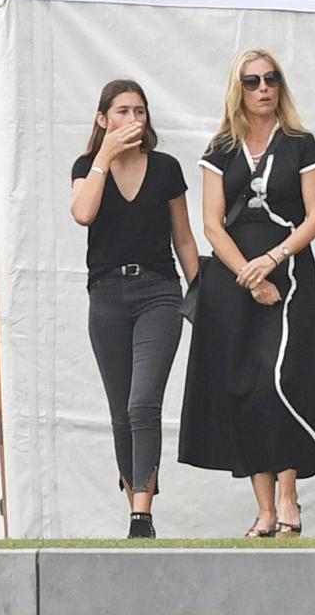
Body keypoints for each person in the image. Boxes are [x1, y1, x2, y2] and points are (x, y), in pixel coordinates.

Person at [178, 49, 315, 538]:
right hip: (235, 280)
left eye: (271, 79)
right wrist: (247, 275)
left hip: (288, 275)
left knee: (284, 379)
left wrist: (273, 261)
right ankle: (265, 509)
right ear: (239, 89)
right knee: (247, 388)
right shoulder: (221, 148)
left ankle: (289, 496)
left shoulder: (300, 144)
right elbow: (211, 223)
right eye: (252, 81)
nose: (263, 88)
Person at [70, 79, 200, 538]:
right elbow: (83, 213)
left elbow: (183, 237)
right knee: (120, 410)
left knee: (144, 402)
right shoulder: (88, 166)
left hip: (158, 292)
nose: (133, 120)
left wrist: (198, 292)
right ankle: (135, 501)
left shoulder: (165, 168)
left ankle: (141, 514)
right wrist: (104, 157)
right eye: (122, 111)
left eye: (140, 111)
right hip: (106, 294)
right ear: (103, 119)